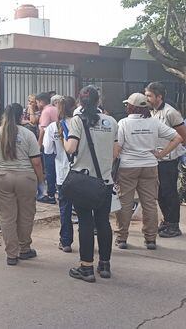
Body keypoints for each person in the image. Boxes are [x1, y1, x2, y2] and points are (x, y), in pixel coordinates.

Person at [63, 86, 118, 283]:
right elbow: (115, 152)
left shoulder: (77, 121)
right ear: (98, 100)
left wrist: (64, 139)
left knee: (85, 222)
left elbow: (70, 148)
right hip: (105, 181)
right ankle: (105, 264)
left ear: (80, 102)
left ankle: (86, 267)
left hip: (84, 181)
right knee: (103, 222)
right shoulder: (112, 122)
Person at [114, 93, 182, 251]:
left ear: (131, 107)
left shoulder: (123, 123)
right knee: (150, 203)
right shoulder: (154, 122)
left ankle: (122, 237)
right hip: (150, 166)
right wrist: (161, 154)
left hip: (128, 166)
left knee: (125, 203)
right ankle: (150, 239)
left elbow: (117, 147)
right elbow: (178, 138)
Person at [0, 103, 44, 266]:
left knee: (7, 217)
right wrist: (41, 181)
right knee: (26, 215)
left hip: (2, 178)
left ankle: (11, 254)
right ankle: (24, 249)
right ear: (21, 117)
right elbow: (36, 162)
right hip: (26, 179)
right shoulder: (28, 134)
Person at [144, 82, 186, 238]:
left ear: (159, 96)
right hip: (155, 160)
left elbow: (184, 136)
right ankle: (167, 220)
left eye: (149, 95)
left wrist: (166, 152)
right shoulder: (151, 112)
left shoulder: (170, 112)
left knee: (169, 192)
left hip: (168, 160)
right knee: (160, 192)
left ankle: (174, 224)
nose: (146, 98)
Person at [44, 96, 76, 253]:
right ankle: (86, 241)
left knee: (65, 209)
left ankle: (66, 241)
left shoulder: (52, 127)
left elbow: (48, 151)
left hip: (63, 173)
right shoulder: (80, 124)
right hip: (81, 172)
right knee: (84, 210)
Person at [37, 93, 59, 204]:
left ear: (41, 101)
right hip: (59, 144)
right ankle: (59, 192)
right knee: (58, 169)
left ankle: (51, 195)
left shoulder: (46, 111)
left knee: (49, 170)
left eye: (37, 102)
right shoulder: (55, 109)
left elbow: (43, 129)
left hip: (49, 145)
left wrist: (39, 144)